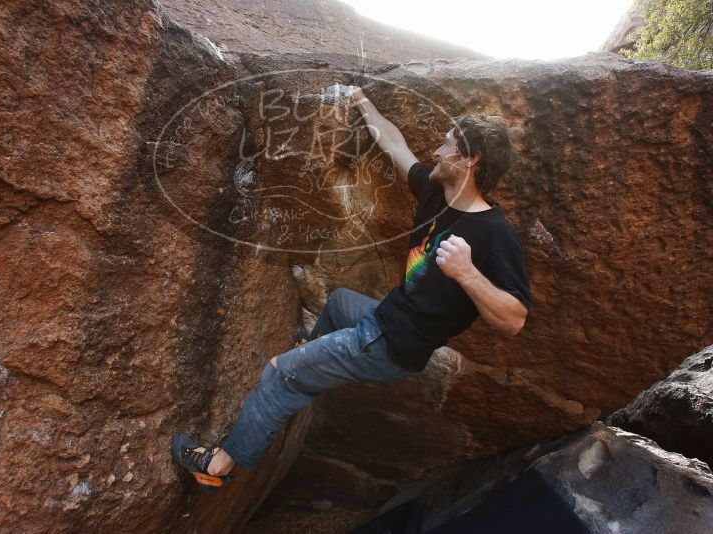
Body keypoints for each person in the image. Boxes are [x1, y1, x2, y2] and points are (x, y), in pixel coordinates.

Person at [171, 85, 532, 492]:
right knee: (339, 302)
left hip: (389, 345)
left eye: (447, 144)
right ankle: (311, 366)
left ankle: (215, 468)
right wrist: (361, 100)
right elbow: (394, 143)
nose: (435, 149)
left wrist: (467, 273)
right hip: (384, 319)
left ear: (471, 159)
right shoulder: (437, 192)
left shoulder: (493, 234)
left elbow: (514, 319)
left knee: (279, 375)